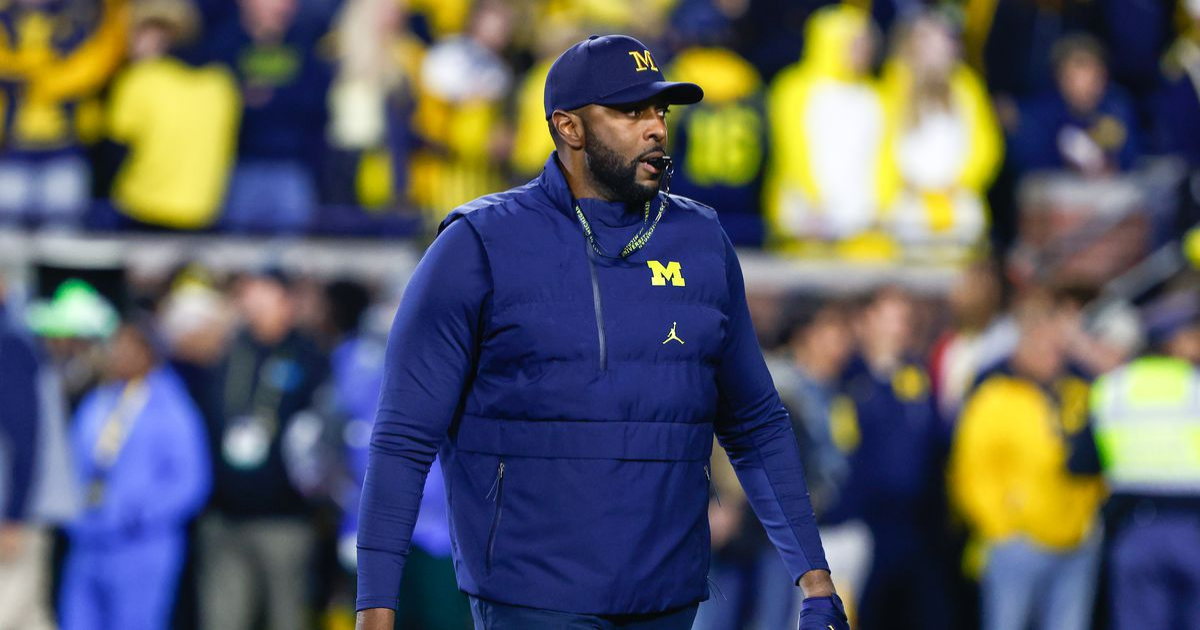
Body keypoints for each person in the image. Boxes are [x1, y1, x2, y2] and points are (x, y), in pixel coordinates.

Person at [355, 34, 848, 630]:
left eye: (660, 110)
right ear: (569, 127)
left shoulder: (702, 242)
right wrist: (375, 610)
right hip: (531, 596)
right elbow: (403, 439)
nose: (656, 128)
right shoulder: (477, 245)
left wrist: (815, 580)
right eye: (631, 112)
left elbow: (755, 422)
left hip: (668, 596)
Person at [949, 294, 1106, 630]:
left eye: (1058, 349)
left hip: (1076, 541)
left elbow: (1097, 459)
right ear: (1022, 348)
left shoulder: (1077, 393)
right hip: (1019, 543)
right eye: (1043, 348)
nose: (1053, 357)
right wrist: (1002, 527)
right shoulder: (995, 397)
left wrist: (1088, 518)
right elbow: (971, 472)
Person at [198, 269, 329, 630]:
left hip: (285, 520)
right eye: (247, 294)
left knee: (285, 617)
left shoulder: (309, 356)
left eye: (261, 293)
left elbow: (322, 436)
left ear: (286, 301)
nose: (251, 303)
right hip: (225, 517)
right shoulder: (229, 351)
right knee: (222, 619)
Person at [59, 320, 211, 630]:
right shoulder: (99, 400)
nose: (117, 354)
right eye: (114, 346)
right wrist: (74, 513)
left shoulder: (172, 407)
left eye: (127, 347)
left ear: (149, 354)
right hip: (89, 540)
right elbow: (73, 461)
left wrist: (136, 513)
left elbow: (190, 481)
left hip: (141, 545)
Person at [1069, 288, 1200, 630]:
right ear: (1173, 343)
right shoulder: (1195, 386)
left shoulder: (1112, 389)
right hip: (1192, 527)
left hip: (1135, 526)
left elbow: (1080, 463)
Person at [101, 0, 241, 230]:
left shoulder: (140, 80)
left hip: (142, 209)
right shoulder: (220, 82)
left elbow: (114, 151)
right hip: (203, 212)